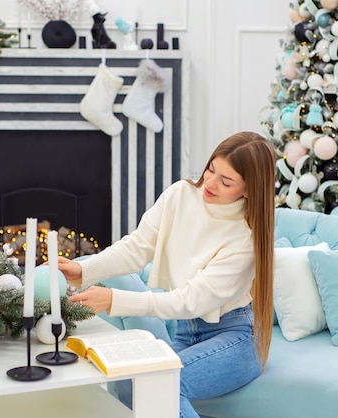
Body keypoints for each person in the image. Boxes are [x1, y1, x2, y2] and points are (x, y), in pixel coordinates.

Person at [54, 131, 276, 418]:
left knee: (168, 385)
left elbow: (191, 301)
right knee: (129, 383)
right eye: (211, 169)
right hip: (187, 331)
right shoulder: (180, 195)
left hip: (236, 338)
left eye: (226, 181)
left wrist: (112, 300)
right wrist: (83, 269)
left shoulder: (245, 238)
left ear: (249, 189)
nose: (210, 183)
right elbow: (136, 247)